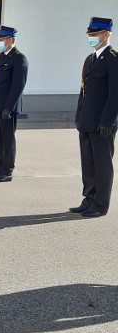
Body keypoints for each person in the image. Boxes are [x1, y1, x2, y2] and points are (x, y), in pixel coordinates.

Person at [70, 17, 118, 218]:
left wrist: (108, 120)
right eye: (90, 35)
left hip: (103, 123)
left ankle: (100, 204)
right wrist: (79, 116)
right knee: (88, 163)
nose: (92, 38)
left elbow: (115, 94)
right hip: (87, 121)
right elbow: (84, 92)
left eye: (96, 34)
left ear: (107, 34)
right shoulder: (90, 60)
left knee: (102, 164)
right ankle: (88, 199)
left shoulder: (114, 59)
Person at [0, 26, 28, 183]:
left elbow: (17, 87)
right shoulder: (1, 57)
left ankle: (7, 170)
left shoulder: (19, 59)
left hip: (8, 107)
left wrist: (9, 107)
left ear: (11, 40)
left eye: (2, 39)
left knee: (8, 139)